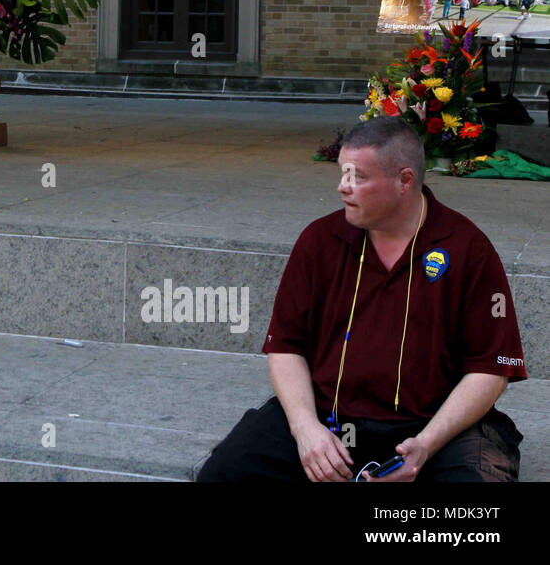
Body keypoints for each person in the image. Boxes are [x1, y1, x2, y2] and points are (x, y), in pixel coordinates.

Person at [198, 117, 525, 482]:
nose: (343, 187)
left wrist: (427, 444)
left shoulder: (466, 247)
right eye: (342, 174)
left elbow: (491, 369)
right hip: (329, 417)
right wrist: (306, 430)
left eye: (359, 177)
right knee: (225, 472)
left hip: (435, 427)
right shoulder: (319, 240)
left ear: (405, 181)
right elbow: (286, 347)